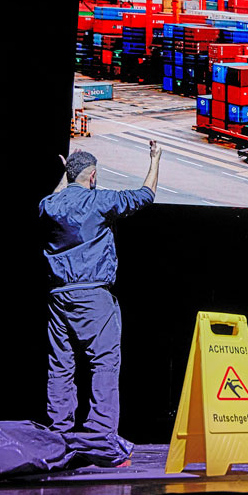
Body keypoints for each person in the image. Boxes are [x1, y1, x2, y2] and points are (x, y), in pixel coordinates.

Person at [38, 142, 161, 436]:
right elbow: (146, 195)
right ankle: (100, 433)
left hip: (59, 297)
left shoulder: (49, 205)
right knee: (104, 362)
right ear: (93, 176)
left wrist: (66, 173)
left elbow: (56, 196)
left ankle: (60, 432)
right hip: (93, 294)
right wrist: (155, 160)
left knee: (61, 365)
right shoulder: (100, 201)